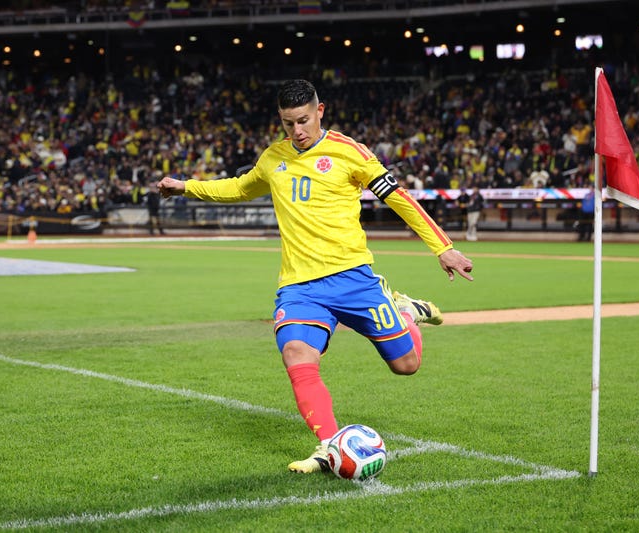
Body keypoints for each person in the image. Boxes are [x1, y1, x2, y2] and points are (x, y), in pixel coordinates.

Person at [157, 79, 473, 474]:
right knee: (296, 353)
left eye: (303, 121)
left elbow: (399, 199)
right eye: (288, 123)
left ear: (319, 111)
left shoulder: (350, 152)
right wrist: (186, 187)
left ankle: (406, 312)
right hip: (300, 287)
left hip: (353, 279)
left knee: (406, 365)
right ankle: (329, 446)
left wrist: (443, 247)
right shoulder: (273, 157)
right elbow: (239, 188)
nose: (297, 131)